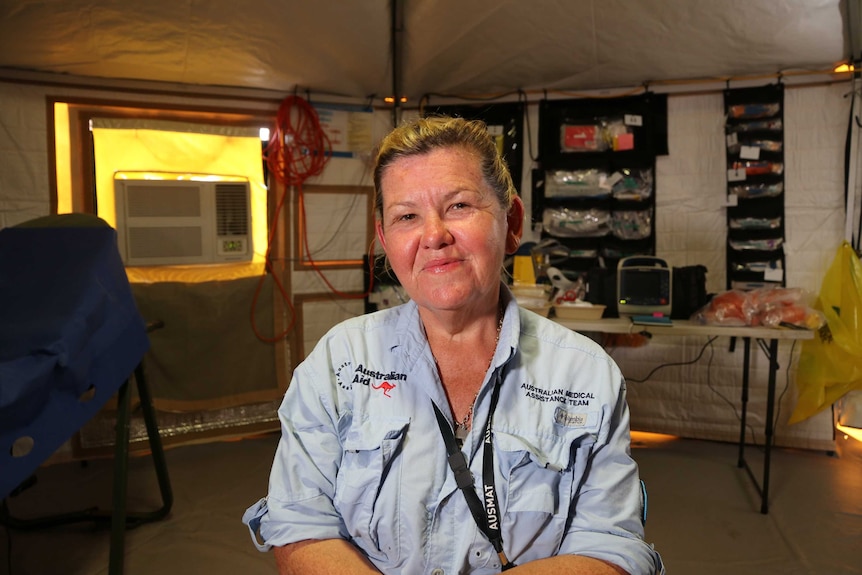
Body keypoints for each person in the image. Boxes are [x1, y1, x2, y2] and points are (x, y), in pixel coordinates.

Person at [243, 116, 665, 575]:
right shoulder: (338, 363)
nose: (433, 236)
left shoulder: (585, 375)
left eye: (459, 206)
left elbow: (611, 548)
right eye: (407, 216)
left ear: (513, 221)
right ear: (385, 240)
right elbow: (300, 524)